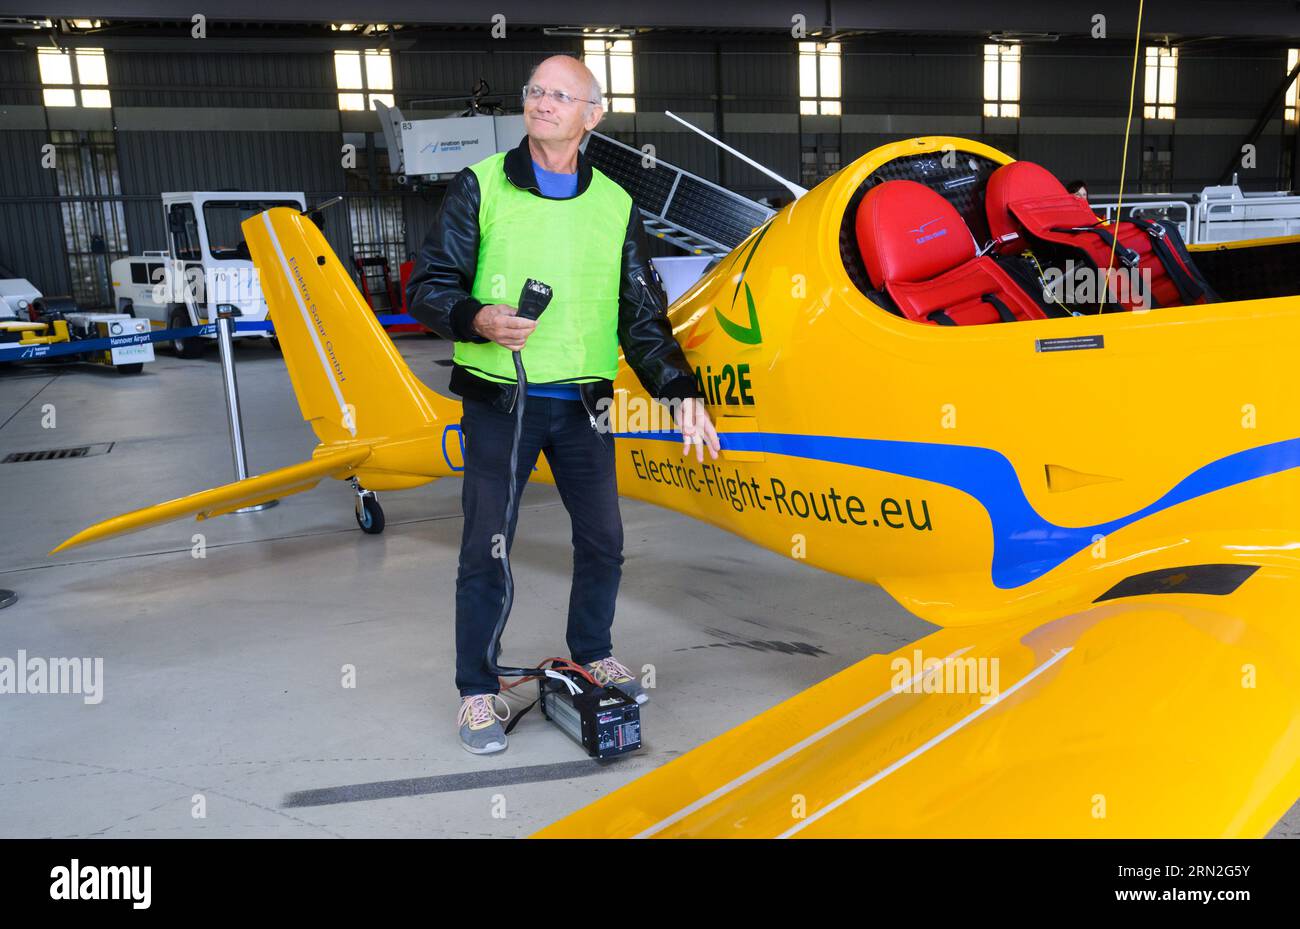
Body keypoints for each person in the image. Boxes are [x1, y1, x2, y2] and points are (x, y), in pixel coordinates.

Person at [407, 54, 721, 755]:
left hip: (585, 404)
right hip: (501, 400)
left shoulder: (614, 204)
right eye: (536, 92)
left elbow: (642, 313)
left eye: (562, 95)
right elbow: (427, 285)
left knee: (604, 538)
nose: (543, 103)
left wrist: (678, 391)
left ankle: (593, 650)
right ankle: (475, 690)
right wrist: (476, 317)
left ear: (592, 115)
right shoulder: (480, 185)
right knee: (487, 547)